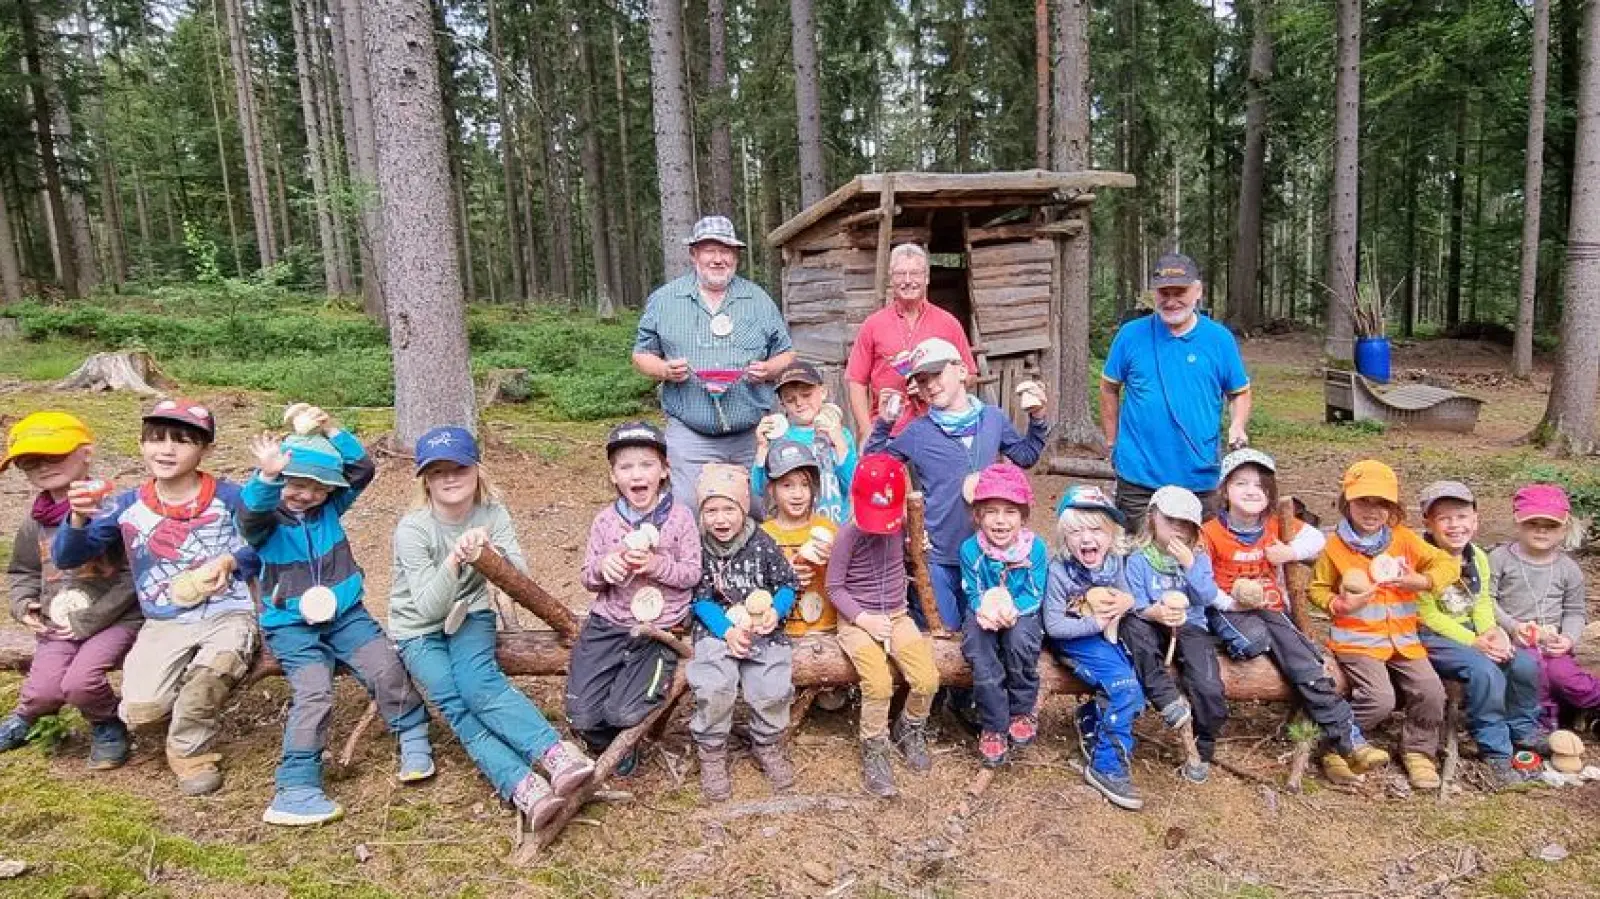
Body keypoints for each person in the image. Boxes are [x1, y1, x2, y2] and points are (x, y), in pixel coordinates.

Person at [389, 427, 594, 830]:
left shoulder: (493, 514)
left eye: (459, 469)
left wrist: (492, 556)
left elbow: (520, 578)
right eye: (438, 472)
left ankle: (554, 755)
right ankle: (522, 785)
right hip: (417, 629)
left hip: (470, 614)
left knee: (478, 682)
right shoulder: (413, 529)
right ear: (425, 480)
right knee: (456, 703)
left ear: (476, 470)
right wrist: (454, 560)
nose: (450, 478)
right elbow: (429, 607)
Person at [53, 398, 261, 795]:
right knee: (142, 711)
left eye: (182, 441)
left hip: (227, 611)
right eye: (156, 439)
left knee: (212, 672)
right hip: (164, 619)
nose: (167, 449)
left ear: (206, 450)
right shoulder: (126, 505)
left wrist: (231, 561)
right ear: (141, 444)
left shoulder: (230, 497)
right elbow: (69, 557)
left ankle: (188, 751)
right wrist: (77, 517)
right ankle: (178, 700)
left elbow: (265, 544)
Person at [239, 406, 435, 825]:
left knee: (385, 666)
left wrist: (331, 429)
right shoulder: (266, 522)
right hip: (290, 624)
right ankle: (297, 786)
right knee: (314, 692)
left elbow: (362, 469)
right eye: (297, 484)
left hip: (345, 614)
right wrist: (268, 477)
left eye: (318, 487)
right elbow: (250, 512)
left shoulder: (329, 508)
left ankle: (413, 733)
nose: (306, 495)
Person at [1200, 448, 1383, 787]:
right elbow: (1200, 581)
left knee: (1305, 662)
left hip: (1270, 607)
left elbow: (1316, 539)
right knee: (1253, 642)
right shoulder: (1210, 532)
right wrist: (1227, 602)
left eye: (1260, 485)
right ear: (1224, 490)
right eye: (1241, 483)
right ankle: (1345, 736)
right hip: (1227, 608)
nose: (1251, 491)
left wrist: (1290, 552)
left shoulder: (1274, 524)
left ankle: (1350, 739)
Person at [866, 336, 1050, 630]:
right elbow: (874, 467)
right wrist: (885, 423)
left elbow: (1025, 456)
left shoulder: (993, 419)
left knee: (982, 625)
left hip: (986, 554)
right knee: (945, 627)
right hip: (938, 554)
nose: (930, 385)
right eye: (922, 380)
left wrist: (1038, 418)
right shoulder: (918, 432)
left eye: (937, 374)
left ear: (962, 371)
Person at [0, 412, 140, 769]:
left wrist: (90, 620)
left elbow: (135, 575)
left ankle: (106, 723)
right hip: (58, 623)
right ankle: (27, 716)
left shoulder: (115, 511)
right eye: (30, 462)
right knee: (43, 691)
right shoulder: (34, 524)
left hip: (114, 620)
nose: (43, 467)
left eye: (54, 455)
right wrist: (24, 605)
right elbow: (22, 571)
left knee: (81, 682)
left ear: (86, 453)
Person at [1308, 459, 1457, 790]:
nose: (1372, 511)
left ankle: (1418, 751)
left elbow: (1447, 564)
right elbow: (1316, 589)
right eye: (1363, 501)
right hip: (1357, 642)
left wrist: (1423, 581)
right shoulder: (1334, 546)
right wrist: (1338, 604)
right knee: (1379, 699)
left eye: (1382, 503)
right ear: (1347, 502)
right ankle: (1335, 746)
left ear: (1393, 508)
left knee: (1432, 691)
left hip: (1403, 640)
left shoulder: (1403, 539)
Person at [632, 215, 795, 508]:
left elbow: (787, 353)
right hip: (690, 433)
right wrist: (665, 370)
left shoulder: (758, 300)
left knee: (758, 510)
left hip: (753, 434)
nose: (718, 259)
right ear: (694, 254)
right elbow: (641, 354)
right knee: (689, 509)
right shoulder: (665, 300)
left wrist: (769, 369)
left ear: (736, 257)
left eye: (726, 251)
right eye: (710, 250)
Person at [568, 421, 701, 771]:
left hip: (659, 628)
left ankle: (626, 736)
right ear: (613, 476)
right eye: (626, 467)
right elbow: (588, 577)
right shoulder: (605, 522)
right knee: (580, 715)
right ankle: (606, 741)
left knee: (623, 712)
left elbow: (692, 574)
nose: (637, 474)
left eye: (646, 464)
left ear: (664, 470)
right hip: (609, 622)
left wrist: (657, 565)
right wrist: (604, 569)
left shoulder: (680, 517)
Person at [1098, 253, 1252, 531]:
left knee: (1199, 553)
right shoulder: (1130, 335)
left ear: (1198, 291)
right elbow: (1109, 387)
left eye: (1179, 292)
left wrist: (1238, 425)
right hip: (1138, 478)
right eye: (1163, 293)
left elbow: (1239, 392)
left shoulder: (1219, 339)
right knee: (1138, 553)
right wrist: (1112, 441)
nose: (1171, 301)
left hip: (1201, 478)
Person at [1414, 480, 1546, 789]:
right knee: (1485, 671)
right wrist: (1475, 643)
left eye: (1462, 517)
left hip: (1473, 632)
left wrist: (1491, 633)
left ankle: (1522, 729)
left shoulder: (1477, 557)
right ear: (1428, 523)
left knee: (1524, 664)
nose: (1454, 525)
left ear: (1475, 520)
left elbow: (1482, 602)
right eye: (1444, 518)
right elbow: (1427, 614)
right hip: (1431, 636)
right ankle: (1495, 750)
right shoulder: (1420, 560)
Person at [827, 454, 941, 797]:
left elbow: (903, 559)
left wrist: (916, 547)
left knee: (927, 678)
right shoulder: (848, 534)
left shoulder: (901, 523)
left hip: (897, 615)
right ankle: (874, 744)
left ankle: (909, 727)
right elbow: (834, 587)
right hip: (856, 621)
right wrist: (863, 620)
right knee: (877, 684)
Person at [688, 464, 799, 801]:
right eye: (711, 511)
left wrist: (775, 611)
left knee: (772, 686)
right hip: (716, 629)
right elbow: (700, 599)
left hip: (762, 630)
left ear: (744, 509)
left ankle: (766, 742)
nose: (720, 519)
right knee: (714, 684)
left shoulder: (761, 542)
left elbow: (788, 584)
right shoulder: (699, 547)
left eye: (729, 509)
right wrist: (726, 631)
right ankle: (711, 750)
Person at [1043, 485, 1145, 810]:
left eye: (1096, 530)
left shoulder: (1114, 562)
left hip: (1106, 637)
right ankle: (1106, 766)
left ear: (1112, 533)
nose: (1087, 539)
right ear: (1065, 537)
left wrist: (1127, 601)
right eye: (1076, 532)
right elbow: (1054, 625)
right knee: (1124, 688)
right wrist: (1096, 623)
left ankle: (1091, 720)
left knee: (1137, 692)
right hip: (1074, 639)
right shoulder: (1059, 571)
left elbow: (1127, 595)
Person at [1119, 486, 1226, 783]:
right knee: (1133, 631)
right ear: (1152, 518)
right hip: (1151, 623)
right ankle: (1164, 696)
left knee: (1207, 683)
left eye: (1185, 524)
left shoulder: (1198, 558)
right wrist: (1154, 612)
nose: (1178, 529)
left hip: (1190, 625)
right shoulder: (1139, 559)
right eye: (1170, 521)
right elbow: (1136, 604)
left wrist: (1190, 565)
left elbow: (1207, 596)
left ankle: (1204, 742)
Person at [958, 463, 1048, 769]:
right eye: (991, 512)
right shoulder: (970, 550)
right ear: (978, 516)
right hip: (983, 610)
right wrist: (985, 610)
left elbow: (1035, 593)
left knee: (1020, 642)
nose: (1000, 520)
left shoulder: (1035, 549)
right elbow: (972, 590)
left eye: (1010, 512)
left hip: (1022, 609)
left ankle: (1021, 709)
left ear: (1023, 517)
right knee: (978, 650)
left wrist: (1012, 610)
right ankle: (993, 723)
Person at [1490, 484, 1597, 729]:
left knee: (1566, 677)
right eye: (1532, 523)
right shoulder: (1500, 559)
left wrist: (1568, 639)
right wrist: (1512, 626)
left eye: (1551, 525)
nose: (1541, 530)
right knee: (1533, 674)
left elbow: (1574, 611)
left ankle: (1590, 705)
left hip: (1552, 642)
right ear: (1518, 523)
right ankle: (1543, 724)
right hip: (1514, 642)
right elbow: (1487, 600)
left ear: (1564, 529)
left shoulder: (1568, 568)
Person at [844, 242, 978, 439]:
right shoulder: (872, 325)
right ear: (891, 278)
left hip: (940, 429)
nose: (908, 280)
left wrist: (931, 386)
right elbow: (856, 381)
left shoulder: (948, 323)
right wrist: (866, 429)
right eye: (900, 274)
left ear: (927, 278)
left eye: (915, 273)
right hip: (889, 432)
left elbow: (970, 375)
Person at [752, 360, 857, 524]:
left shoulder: (841, 434)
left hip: (835, 523)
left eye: (806, 395)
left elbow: (853, 485)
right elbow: (759, 489)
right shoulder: (779, 438)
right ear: (782, 404)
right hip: (794, 527)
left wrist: (839, 443)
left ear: (823, 392)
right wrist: (762, 447)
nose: (799, 403)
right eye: (790, 399)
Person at [757, 439, 839, 637]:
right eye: (787, 486)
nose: (798, 494)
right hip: (780, 633)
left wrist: (835, 561)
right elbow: (753, 587)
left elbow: (851, 579)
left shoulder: (827, 528)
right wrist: (784, 573)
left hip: (827, 630)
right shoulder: (762, 535)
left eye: (805, 485)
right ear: (772, 489)